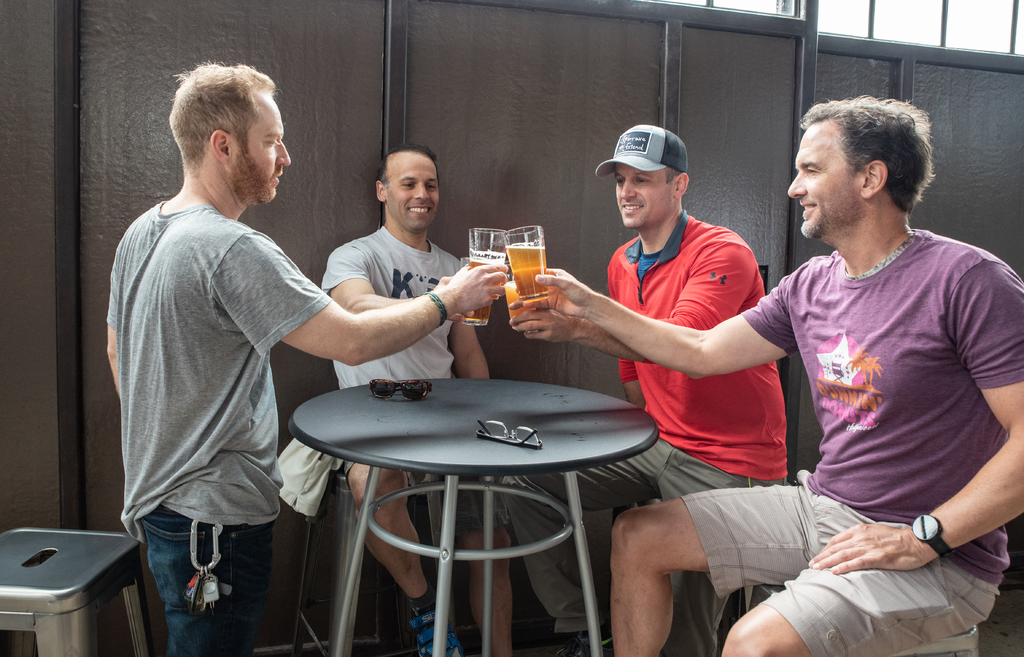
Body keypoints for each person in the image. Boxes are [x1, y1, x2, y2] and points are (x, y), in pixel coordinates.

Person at [530, 96, 1024, 657]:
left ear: (871, 178)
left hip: (940, 553)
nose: (794, 187)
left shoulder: (968, 281)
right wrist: (588, 311)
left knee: (752, 643)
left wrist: (923, 537)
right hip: (824, 507)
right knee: (638, 536)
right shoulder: (809, 284)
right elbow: (699, 349)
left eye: (811, 170)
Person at [105, 64, 504, 657]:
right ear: (223, 145)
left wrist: (172, 440)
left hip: (162, 502)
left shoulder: (143, 229)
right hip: (215, 521)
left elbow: (118, 351)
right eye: (271, 141)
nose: (284, 156)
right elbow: (351, 340)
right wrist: (447, 300)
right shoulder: (231, 246)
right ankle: (429, 610)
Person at [505, 125, 787, 657]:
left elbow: (688, 349)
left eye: (643, 180)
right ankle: (585, 628)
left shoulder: (722, 252)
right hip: (658, 443)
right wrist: (577, 330)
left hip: (729, 459)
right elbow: (636, 361)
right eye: (620, 180)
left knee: (686, 632)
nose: (627, 191)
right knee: (525, 477)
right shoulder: (621, 261)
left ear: (679, 185)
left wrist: (585, 309)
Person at [319, 143, 514, 657]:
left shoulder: (455, 266)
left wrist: (488, 421)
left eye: (429, 185)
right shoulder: (355, 255)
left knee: (490, 535)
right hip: (375, 409)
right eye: (408, 184)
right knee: (370, 481)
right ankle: (427, 609)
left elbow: (467, 356)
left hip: (447, 414)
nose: (421, 195)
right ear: (383, 191)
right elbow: (355, 310)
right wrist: (443, 300)